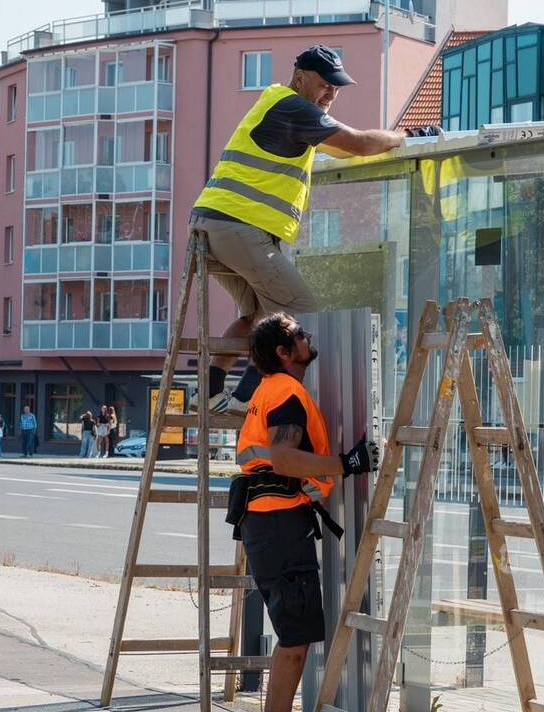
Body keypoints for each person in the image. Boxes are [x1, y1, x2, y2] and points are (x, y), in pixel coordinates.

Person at [191, 43, 441, 416]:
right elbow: (357, 144)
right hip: (238, 226)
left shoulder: (280, 107)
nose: (331, 94)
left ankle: (207, 392)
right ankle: (248, 397)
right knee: (300, 311)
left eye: (336, 88)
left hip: (214, 227)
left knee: (254, 318)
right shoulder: (292, 107)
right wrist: (408, 135)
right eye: (325, 85)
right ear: (300, 78)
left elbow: (343, 148)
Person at [225, 312, 379, 712]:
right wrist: (347, 463)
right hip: (278, 525)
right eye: (298, 334)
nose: (307, 336)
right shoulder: (286, 393)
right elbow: (285, 460)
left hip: (269, 523)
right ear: (284, 351)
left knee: (293, 636)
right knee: (295, 641)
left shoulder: (269, 389)